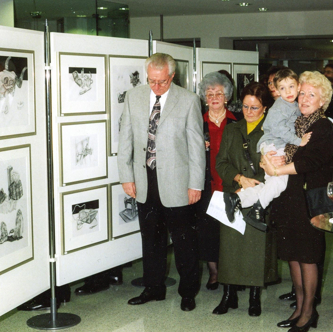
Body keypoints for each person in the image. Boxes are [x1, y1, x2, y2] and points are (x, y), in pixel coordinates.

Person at [117, 53, 205, 312]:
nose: (156, 86)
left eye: (162, 81)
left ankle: (188, 292)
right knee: (151, 240)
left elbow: (196, 147)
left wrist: (195, 184)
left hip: (178, 181)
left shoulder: (188, 101)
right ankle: (153, 288)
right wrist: (126, 176)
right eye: (152, 80)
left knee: (183, 241)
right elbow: (125, 139)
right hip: (145, 179)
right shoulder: (134, 97)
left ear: (172, 76)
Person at [261, 71, 333, 332]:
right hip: (289, 198)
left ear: (322, 100)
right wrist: (269, 160)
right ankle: (299, 306)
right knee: (292, 254)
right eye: (302, 92)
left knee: (308, 256)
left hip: (309, 201)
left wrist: (277, 170)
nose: (304, 98)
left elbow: (309, 162)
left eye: (311, 94)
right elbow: (278, 148)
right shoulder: (295, 122)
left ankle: (309, 311)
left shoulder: (324, 126)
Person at [213, 82, 278, 317]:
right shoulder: (232, 130)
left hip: (259, 197)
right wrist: (240, 178)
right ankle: (228, 295)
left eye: (255, 108)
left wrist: (255, 181)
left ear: (265, 109)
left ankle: (254, 297)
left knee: (254, 249)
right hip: (234, 195)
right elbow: (221, 162)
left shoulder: (272, 133)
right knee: (229, 250)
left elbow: (275, 167)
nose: (249, 112)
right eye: (246, 107)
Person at [223, 69, 310, 230]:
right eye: (282, 88)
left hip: (274, 147)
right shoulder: (280, 108)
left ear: (298, 87)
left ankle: (240, 199)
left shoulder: (291, 106)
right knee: (280, 181)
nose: (288, 91)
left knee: (274, 184)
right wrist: (299, 141)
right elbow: (279, 130)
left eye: (291, 86)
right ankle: (257, 208)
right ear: (276, 90)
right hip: (274, 146)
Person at [196, 72, 237, 291]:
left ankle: (232, 272)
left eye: (218, 93)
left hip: (230, 184)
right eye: (209, 93)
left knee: (230, 231)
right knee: (208, 231)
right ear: (204, 97)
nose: (214, 97)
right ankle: (214, 273)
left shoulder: (236, 121)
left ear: (227, 96)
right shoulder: (196, 122)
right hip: (205, 185)